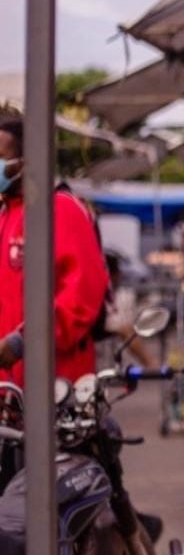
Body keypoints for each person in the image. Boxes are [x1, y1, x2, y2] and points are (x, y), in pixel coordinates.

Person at [0, 119, 110, 386]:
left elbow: (82, 295)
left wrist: (22, 341)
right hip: (10, 388)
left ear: (28, 160)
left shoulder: (61, 209)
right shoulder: (5, 216)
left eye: (1, 156)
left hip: (56, 384)